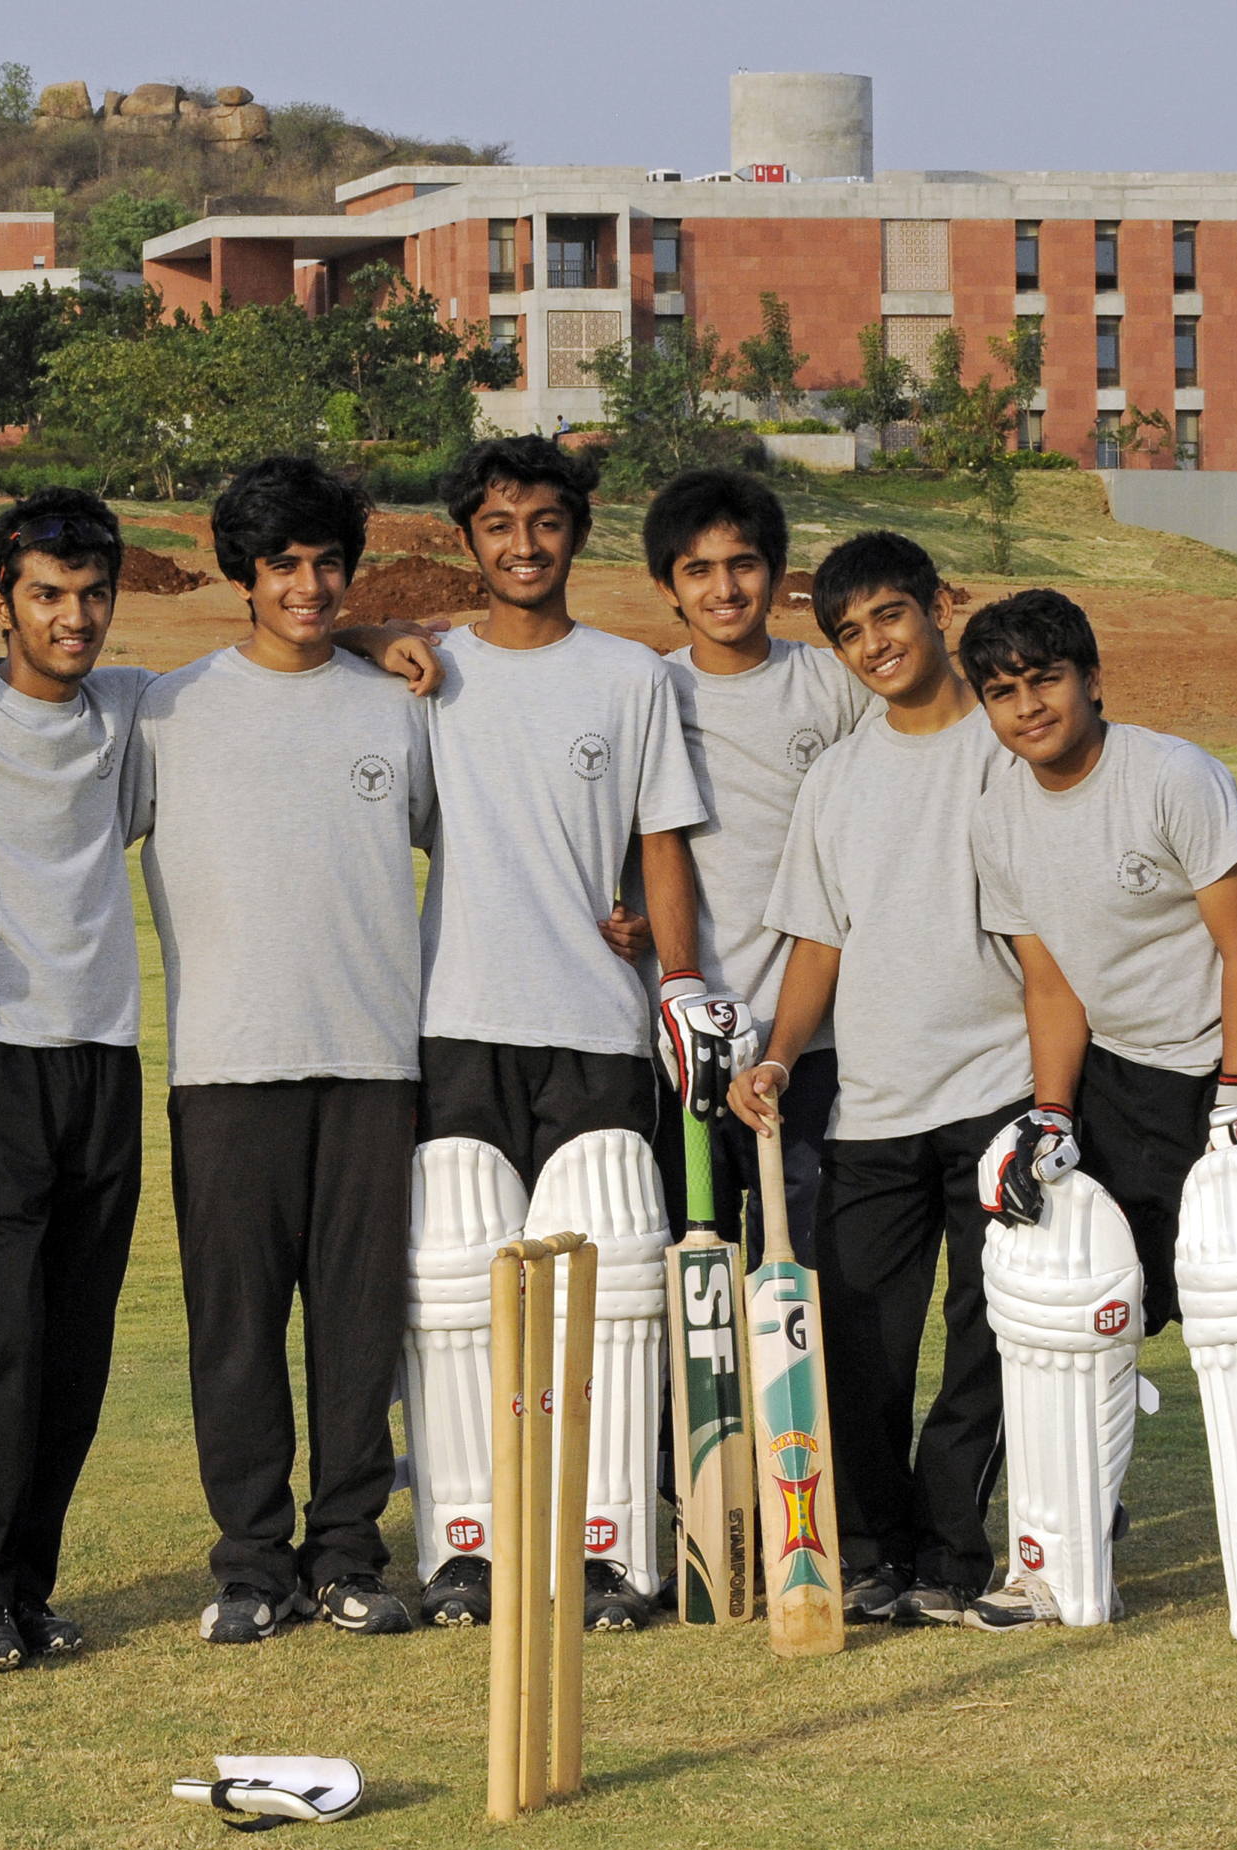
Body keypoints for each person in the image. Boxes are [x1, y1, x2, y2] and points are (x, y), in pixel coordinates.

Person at [0, 490, 440, 1671]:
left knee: (76, 1349)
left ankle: (34, 1585)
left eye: (93, 594)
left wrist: (359, 635)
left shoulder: (136, 706)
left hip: (106, 1060)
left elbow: (281, 653)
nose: (75, 617)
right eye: (48, 594)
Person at [958, 588, 1237, 1660]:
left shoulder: (1172, 775)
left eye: (1045, 679)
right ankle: (1057, 1561)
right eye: (1003, 691)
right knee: (1081, 1296)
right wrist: (1048, 1113)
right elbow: (1050, 984)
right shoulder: (997, 812)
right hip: (1120, 1067)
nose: (1028, 705)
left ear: (1092, 678)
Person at [126, 456, 436, 1645]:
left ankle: (351, 1553)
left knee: (360, 1329)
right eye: (283, 565)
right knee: (238, 1331)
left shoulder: (399, 703)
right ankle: (252, 1563)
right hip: (222, 1066)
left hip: (371, 1063)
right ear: (241, 574)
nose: (308, 586)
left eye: (327, 564)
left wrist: (385, 638)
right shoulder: (166, 707)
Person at [405, 435, 707, 1633]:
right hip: (458, 1019)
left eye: (543, 522)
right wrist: (395, 642)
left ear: (578, 529)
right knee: (461, 1290)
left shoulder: (633, 677)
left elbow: (663, 844)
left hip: (596, 1023)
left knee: (605, 1290)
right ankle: (463, 1546)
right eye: (496, 524)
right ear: (467, 538)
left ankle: (607, 1545)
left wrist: (679, 984)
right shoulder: (427, 676)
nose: (521, 545)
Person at [729, 530, 1031, 1630]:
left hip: (1000, 1088)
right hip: (877, 1103)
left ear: (941, 606)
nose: (874, 644)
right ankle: (870, 1550)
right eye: (849, 632)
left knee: (987, 1335)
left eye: (891, 616)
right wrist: (775, 1052)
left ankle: (953, 1554)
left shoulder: (1009, 747)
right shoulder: (840, 777)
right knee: (857, 1338)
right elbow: (818, 943)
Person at [635, 467, 876, 1261]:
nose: (723, 588)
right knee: (692, 1277)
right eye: (696, 570)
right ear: (667, 587)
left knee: (802, 1275)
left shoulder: (830, 685)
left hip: (808, 1042)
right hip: (684, 1044)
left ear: (774, 573)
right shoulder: (648, 691)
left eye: (741, 564)